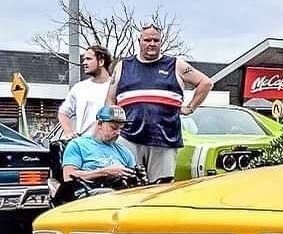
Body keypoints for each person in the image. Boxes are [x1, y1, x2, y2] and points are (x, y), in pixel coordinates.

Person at [106, 24, 213, 180]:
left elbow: (206, 83)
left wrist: (190, 107)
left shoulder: (176, 64)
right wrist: (112, 125)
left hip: (164, 138)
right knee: (127, 185)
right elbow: (110, 100)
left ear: (161, 42)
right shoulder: (123, 66)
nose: (152, 44)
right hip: (128, 137)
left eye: (156, 40)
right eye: (147, 40)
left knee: (161, 188)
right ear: (139, 41)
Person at [61, 105, 137, 183]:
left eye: (120, 128)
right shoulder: (77, 145)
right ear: (100, 124)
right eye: (114, 128)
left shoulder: (125, 152)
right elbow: (68, 177)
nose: (118, 133)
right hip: (91, 189)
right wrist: (104, 172)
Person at [58, 45, 114, 139]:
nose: (84, 63)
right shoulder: (79, 88)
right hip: (84, 142)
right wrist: (68, 132)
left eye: (88, 59)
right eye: (84, 59)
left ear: (101, 61)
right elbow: (63, 112)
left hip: (109, 143)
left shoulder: (115, 86)